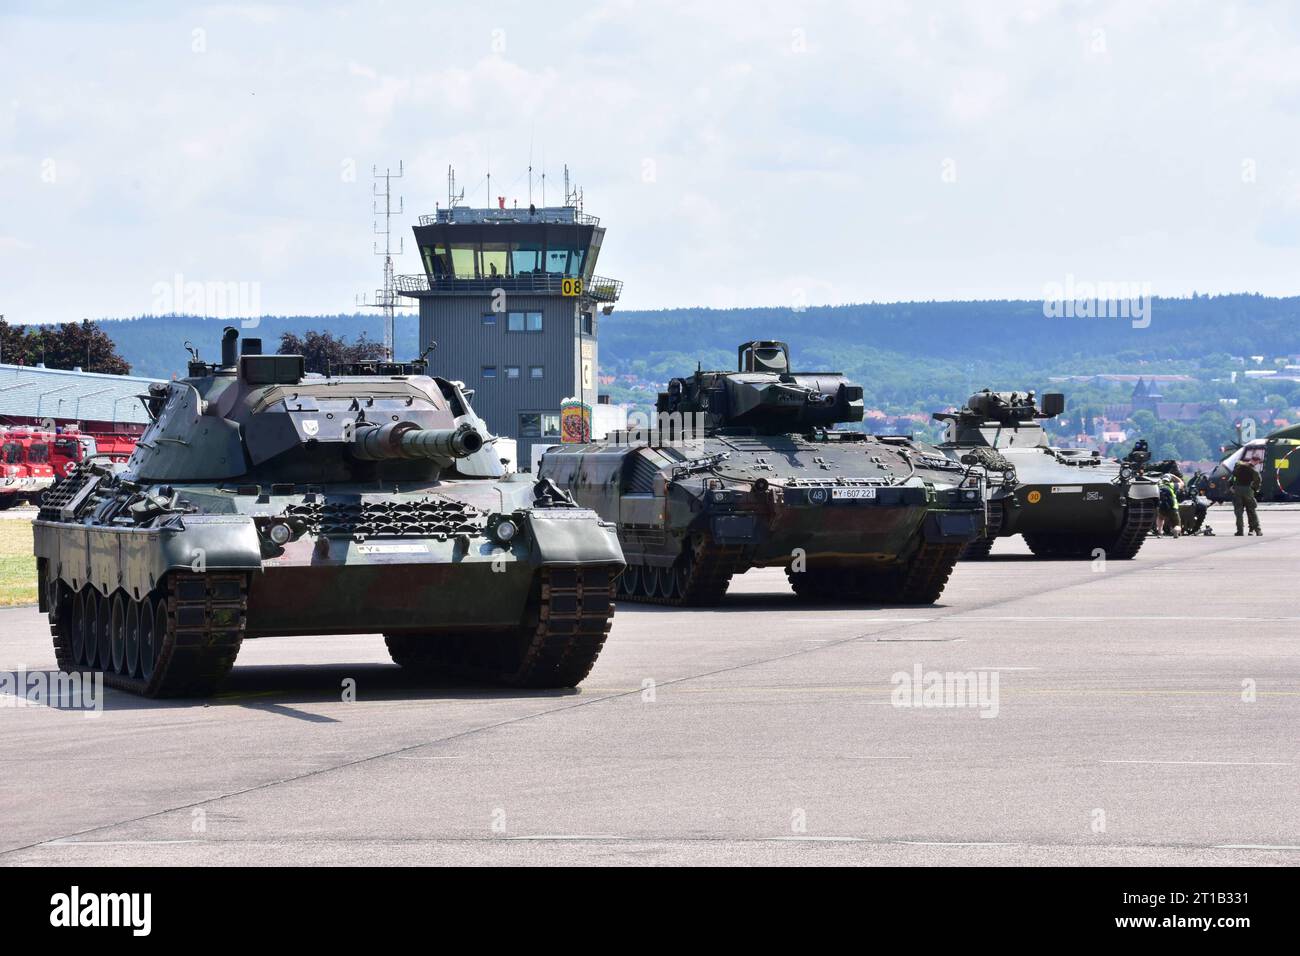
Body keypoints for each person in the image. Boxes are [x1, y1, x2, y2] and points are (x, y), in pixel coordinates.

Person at [1230, 458, 1263, 536]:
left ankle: (1240, 531)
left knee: (1238, 512)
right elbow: (1258, 479)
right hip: (1248, 490)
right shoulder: (1252, 469)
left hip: (1237, 490)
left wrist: (1232, 487)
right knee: (1252, 511)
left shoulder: (1237, 468)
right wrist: (1254, 489)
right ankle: (1258, 530)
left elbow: (1232, 479)